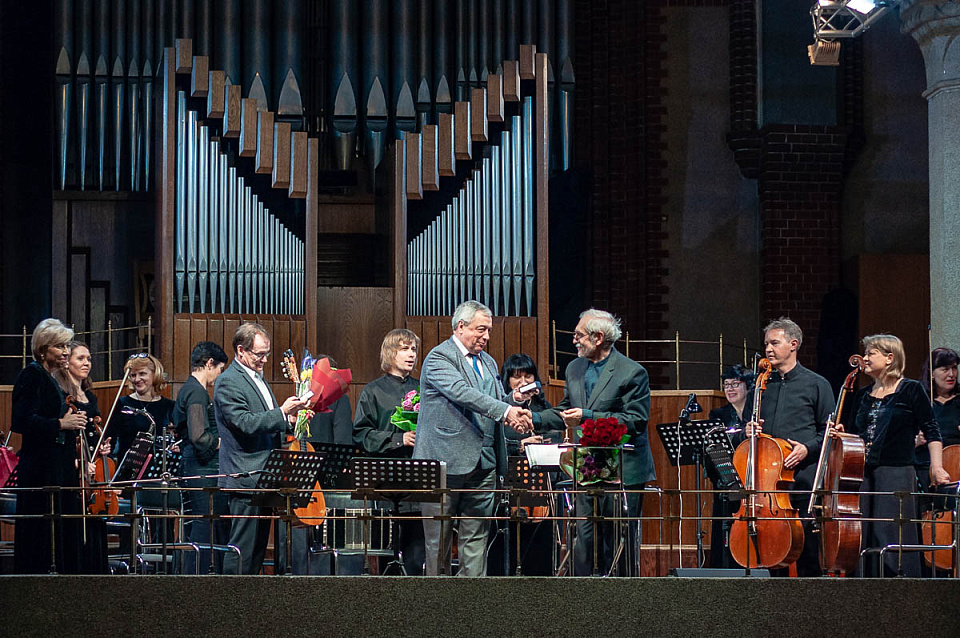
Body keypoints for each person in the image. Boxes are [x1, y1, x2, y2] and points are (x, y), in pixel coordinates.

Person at [413, 301, 534, 576]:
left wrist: (512, 400)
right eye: (481, 329)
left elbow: (489, 402)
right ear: (460, 327)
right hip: (444, 463)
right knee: (439, 542)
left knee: (477, 540)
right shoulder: (439, 358)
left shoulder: (488, 361)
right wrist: (506, 410)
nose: (487, 337)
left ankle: (472, 606)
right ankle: (438, 607)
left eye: (489, 330)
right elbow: (462, 393)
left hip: (484, 463)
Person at [538, 309, 654, 577]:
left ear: (598, 337)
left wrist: (587, 416)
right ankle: (581, 599)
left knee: (617, 543)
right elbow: (567, 410)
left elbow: (635, 420)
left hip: (623, 469)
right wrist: (533, 418)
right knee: (582, 538)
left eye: (579, 335)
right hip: (586, 468)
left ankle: (620, 601)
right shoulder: (575, 368)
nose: (574, 340)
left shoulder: (632, 372)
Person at [837, 334, 950, 577]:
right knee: (864, 533)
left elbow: (932, 431)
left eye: (871, 353)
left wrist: (937, 468)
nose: (865, 358)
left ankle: (901, 592)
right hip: (863, 475)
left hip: (896, 472)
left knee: (892, 533)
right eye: (865, 353)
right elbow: (854, 434)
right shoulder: (862, 395)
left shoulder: (911, 389)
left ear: (890, 358)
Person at [741, 317, 834, 577]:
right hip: (766, 482)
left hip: (802, 478)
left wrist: (807, 449)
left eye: (775, 343)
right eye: (766, 344)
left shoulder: (817, 384)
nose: (768, 349)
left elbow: (828, 433)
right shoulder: (759, 386)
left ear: (793, 344)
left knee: (807, 549)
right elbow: (745, 430)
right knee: (771, 550)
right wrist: (747, 432)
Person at [214, 322, 307, 575]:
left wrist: (290, 422)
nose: (265, 359)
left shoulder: (257, 379)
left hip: (264, 476)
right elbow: (243, 422)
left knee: (256, 552)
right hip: (245, 477)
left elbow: (266, 422)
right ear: (241, 350)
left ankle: (250, 605)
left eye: (267, 353)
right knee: (242, 550)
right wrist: (281, 412)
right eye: (259, 354)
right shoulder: (228, 381)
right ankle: (233, 603)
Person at [11, 318, 87, 574]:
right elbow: (21, 421)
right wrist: (61, 424)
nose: (66, 352)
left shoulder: (49, 377)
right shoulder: (31, 375)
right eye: (59, 346)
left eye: (67, 346)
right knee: (42, 529)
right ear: (43, 349)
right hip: (42, 466)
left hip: (56, 464)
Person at [352, 330, 425, 575]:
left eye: (413, 349)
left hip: (417, 481)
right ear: (390, 353)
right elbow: (361, 434)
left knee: (416, 554)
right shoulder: (373, 391)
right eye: (404, 349)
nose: (411, 354)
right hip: (384, 481)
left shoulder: (424, 389)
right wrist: (398, 439)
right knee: (385, 552)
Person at [488, 353, 562, 576]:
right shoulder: (501, 408)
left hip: (541, 491)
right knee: (507, 546)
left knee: (540, 550)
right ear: (507, 381)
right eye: (516, 377)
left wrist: (544, 443)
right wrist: (521, 447)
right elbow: (496, 445)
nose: (523, 382)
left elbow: (557, 439)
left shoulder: (544, 407)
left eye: (528, 376)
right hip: (510, 489)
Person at [54, 340, 112, 574]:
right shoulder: (62, 396)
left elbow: (93, 435)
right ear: (66, 362)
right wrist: (78, 463)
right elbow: (63, 440)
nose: (87, 363)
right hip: (75, 473)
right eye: (81, 358)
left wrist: (102, 449)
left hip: (93, 476)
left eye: (89, 358)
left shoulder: (91, 397)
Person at [172, 340, 228, 574]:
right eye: (219, 369)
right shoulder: (196, 391)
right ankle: (197, 582)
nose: (218, 376)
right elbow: (198, 436)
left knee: (203, 527)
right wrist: (221, 443)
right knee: (205, 528)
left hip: (196, 468)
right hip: (203, 471)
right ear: (209, 363)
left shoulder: (188, 389)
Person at [706, 364, 754, 569]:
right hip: (727, 481)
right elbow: (714, 450)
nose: (730, 389)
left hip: (753, 479)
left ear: (748, 386)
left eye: (736, 384)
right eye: (726, 385)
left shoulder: (757, 412)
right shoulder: (717, 414)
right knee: (724, 529)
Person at [917, 348, 960, 487]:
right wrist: (915, 441)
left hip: (957, 466)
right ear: (932, 373)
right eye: (945, 369)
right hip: (924, 468)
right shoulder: (920, 400)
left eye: (954, 368)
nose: (951, 374)